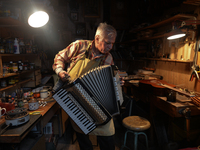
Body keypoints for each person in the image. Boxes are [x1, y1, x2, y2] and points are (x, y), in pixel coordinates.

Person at [52, 22, 123, 150]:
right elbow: (59, 57)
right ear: (97, 39)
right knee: (83, 139)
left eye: (112, 43)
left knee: (107, 139)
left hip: (96, 104)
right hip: (75, 101)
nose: (110, 47)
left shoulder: (108, 58)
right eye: (107, 42)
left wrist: (116, 83)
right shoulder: (79, 46)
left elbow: (109, 82)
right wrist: (60, 71)